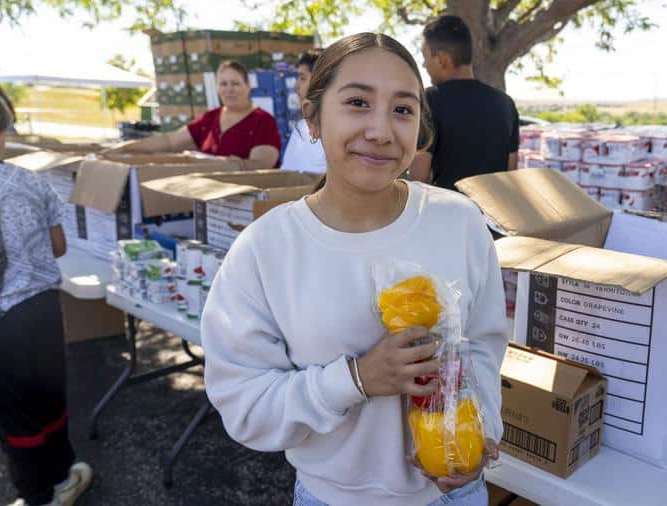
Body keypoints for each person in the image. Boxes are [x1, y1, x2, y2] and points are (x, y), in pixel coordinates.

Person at [201, 33, 507, 506]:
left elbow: (485, 343)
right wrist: (357, 379)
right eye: (358, 102)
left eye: (403, 110)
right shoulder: (267, 248)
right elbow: (243, 403)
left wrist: (478, 424)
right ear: (314, 118)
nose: (381, 131)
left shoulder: (459, 221)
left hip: (457, 492)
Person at [0, 90, 93, 506]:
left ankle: (37, 495)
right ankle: (62, 473)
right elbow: (58, 244)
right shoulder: (29, 181)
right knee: (49, 398)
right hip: (43, 310)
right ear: (3, 133)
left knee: (15, 417)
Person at [410, 15, 520, 191]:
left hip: (448, 214)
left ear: (442, 59)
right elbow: (511, 173)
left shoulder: (430, 100)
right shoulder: (506, 103)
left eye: (425, 57)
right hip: (494, 216)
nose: (424, 65)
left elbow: (418, 181)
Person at [107, 60, 282, 169]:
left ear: (248, 86)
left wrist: (213, 162)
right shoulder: (210, 118)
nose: (229, 89)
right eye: (223, 84)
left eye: (235, 83)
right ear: (217, 88)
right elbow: (169, 141)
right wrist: (125, 148)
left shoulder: (263, 121)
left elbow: (260, 166)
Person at [280, 49, 327, 173]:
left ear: (321, 80)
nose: (296, 85)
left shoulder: (341, 131)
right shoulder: (300, 128)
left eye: (302, 78)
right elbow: (287, 174)